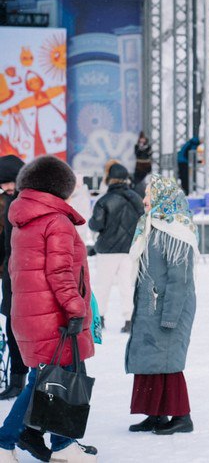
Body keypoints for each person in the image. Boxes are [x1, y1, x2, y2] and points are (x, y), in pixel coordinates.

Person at [0, 155, 98, 462]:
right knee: (52, 380)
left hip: (32, 314)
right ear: (59, 188)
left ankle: (58, 443)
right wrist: (76, 307)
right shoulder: (55, 221)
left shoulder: (25, 218)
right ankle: (9, 441)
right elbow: (60, 273)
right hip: (53, 316)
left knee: (47, 379)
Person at [126, 175, 197, 435]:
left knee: (168, 362)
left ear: (164, 198)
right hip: (152, 306)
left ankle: (182, 416)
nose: (144, 200)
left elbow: (181, 279)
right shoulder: (152, 227)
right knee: (150, 361)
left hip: (168, 308)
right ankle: (155, 413)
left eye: (150, 195)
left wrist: (170, 317)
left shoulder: (176, 231)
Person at [88, 163, 144, 333]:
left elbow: (95, 224)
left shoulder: (104, 200)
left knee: (102, 285)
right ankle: (129, 319)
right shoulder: (136, 198)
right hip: (129, 249)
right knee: (127, 285)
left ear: (109, 179)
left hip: (107, 250)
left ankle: (99, 318)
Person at [0, 156, 25, 401]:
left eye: (9, 182)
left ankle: (24, 380)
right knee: (11, 326)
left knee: (24, 328)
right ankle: (18, 378)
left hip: (26, 275)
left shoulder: (26, 202)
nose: (6, 188)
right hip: (12, 274)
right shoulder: (10, 202)